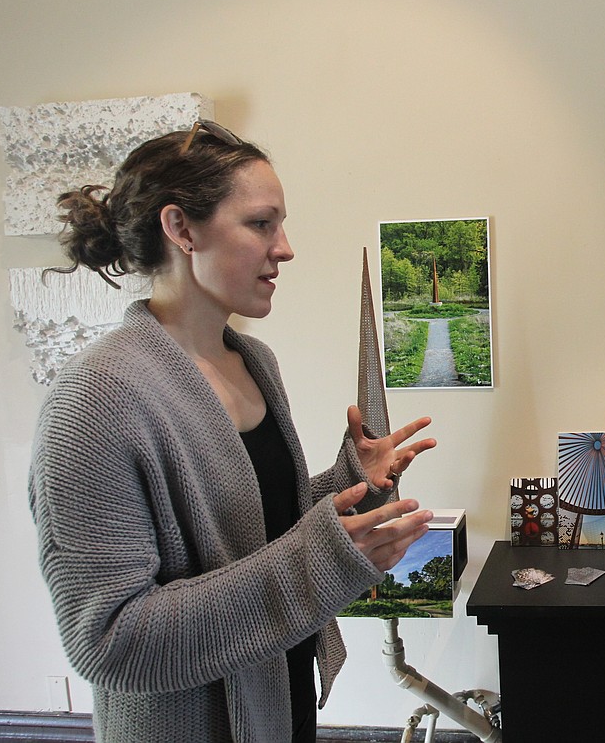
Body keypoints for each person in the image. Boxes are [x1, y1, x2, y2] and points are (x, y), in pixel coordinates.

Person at [27, 121, 436, 743]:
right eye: (261, 223)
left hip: (279, 698)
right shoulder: (95, 402)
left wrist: (350, 482)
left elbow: (254, 528)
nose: (286, 247)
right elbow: (109, 640)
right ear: (181, 229)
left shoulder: (254, 362)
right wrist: (324, 562)